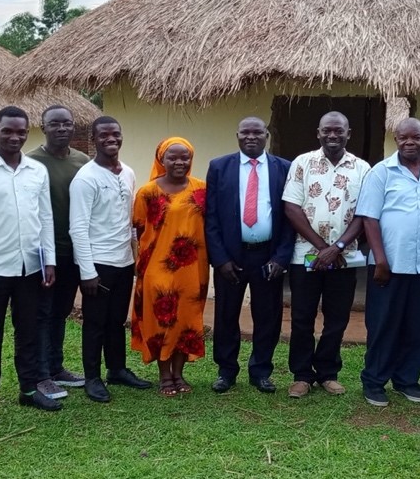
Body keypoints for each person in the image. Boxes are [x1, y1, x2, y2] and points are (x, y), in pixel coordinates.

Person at [0, 106, 57, 425]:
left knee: (29, 331)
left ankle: (29, 390)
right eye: (8, 131)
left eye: (21, 132)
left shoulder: (36, 170)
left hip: (31, 267)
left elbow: (45, 217)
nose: (15, 137)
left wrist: (50, 260)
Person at [356, 117, 420, 407]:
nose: (410, 143)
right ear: (396, 139)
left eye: (416, 138)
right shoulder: (381, 172)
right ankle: (374, 381)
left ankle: (407, 380)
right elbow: (369, 218)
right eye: (403, 138)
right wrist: (381, 260)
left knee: (417, 325)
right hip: (389, 263)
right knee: (383, 324)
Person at [281, 111, 371, 398]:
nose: (333, 136)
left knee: (337, 318)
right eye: (327, 131)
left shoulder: (362, 168)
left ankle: (328, 373)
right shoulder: (302, 163)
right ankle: (302, 375)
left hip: (345, 258)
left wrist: (338, 248)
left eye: (339, 131)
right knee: (302, 317)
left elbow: (364, 213)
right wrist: (323, 248)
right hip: (305, 257)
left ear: (349, 134)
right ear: (318, 133)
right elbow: (292, 208)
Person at [204, 117, 294, 394]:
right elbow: (211, 217)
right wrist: (220, 260)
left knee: (268, 316)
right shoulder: (219, 167)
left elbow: (291, 217)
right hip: (231, 256)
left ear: (267, 135)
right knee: (226, 315)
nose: (251, 137)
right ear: (237, 135)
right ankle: (226, 371)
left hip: (267, 255)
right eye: (245, 132)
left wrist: (281, 258)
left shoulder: (284, 168)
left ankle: (261, 371)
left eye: (257, 132)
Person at [70, 116, 150, 402]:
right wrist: (87, 272)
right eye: (103, 135)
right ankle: (92, 377)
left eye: (115, 134)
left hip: (123, 260)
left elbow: (128, 218)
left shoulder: (127, 172)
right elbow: (77, 227)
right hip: (97, 263)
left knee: (117, 320)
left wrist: (135, 253)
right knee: (95, 323)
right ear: (94, 139)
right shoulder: (86, 178)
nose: (110, 139)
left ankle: (117, 369)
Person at [131, 137, 210, 396]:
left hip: (192, 268)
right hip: (156, 266)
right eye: (172, 157)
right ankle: (164, 377)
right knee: (162, 320)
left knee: (186, 321)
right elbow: (138, 231)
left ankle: (179, 374)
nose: (179, 162)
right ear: (161, 159)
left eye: (184, 157)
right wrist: (137, 265)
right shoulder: (147, 192)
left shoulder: (202, 189)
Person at [28, 105, 91, 400]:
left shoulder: (83, 161)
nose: (62, 129)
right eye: (55, 124)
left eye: (67, 124)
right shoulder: (32, 163)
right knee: (43, 312)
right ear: (43, 127)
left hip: (74, 251)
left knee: (62, 311)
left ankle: (56, 367)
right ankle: (41, 374)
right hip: (44, 254)